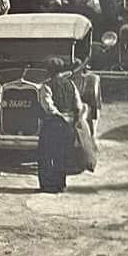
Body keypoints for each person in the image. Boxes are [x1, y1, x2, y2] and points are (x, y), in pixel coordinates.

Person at [37, 56, 85, 193]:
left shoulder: (46, 85)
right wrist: (73, 119)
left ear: (48, 71)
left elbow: (49, 107)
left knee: (46, 155)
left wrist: (59, 116)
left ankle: (47, 185)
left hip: (52, 124)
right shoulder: (70, 84)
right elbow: (78, 105)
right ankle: (60, 184)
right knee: (62, 155)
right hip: (68, 125)